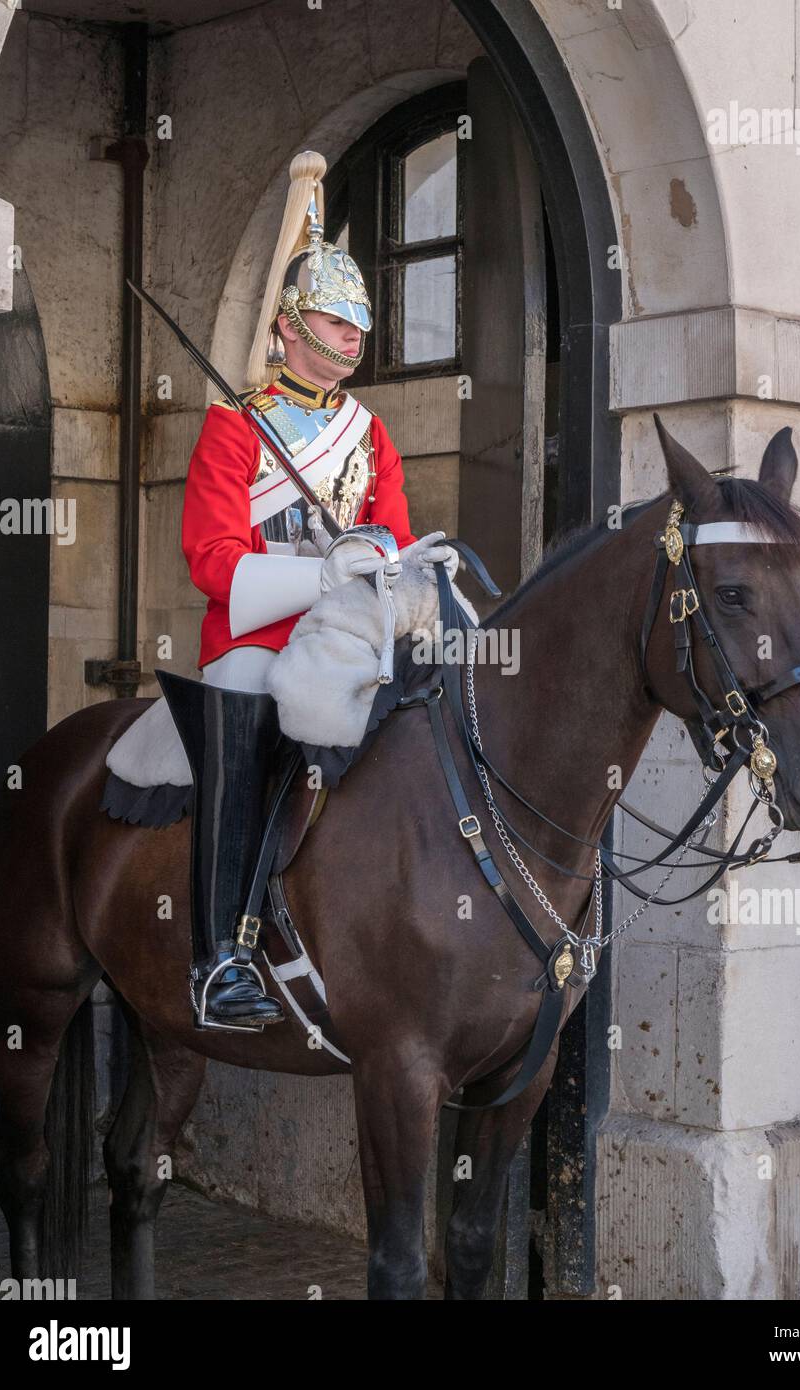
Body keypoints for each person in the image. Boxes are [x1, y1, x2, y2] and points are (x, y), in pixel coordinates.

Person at [159, 150, 456, 1032]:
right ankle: (221, 958)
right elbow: (211, 559)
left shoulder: (372, 433)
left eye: (358, 324)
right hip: (253, 639)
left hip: (346, 636)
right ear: (289, 328)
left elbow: (393, 535)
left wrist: (402, 574)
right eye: (333, 320)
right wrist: (319, 575)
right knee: (251, 714)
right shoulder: (231, 426)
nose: (352, 337)